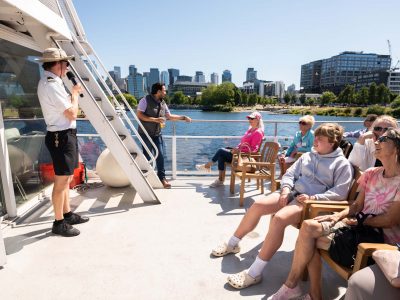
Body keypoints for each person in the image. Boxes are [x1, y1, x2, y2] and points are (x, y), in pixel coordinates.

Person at [211, 123, 353, 289]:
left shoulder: (342, 164)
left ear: (332, 142)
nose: (315, 141)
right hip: (291, 193)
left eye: (320, 139)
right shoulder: (308, 156)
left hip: (310, 204)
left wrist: (314, 197)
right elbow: (290, 174)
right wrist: (285, 190)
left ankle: (254, 273)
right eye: (316, 137)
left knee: (278, 219)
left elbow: (340, 192)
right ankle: (232, 244)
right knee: (257, 205)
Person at [269, 127, 400, 300]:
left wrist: (358, 222)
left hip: (379, 240)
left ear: (397, 148)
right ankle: (295, 287)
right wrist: (338, 216)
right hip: (357, 226)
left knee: (309, 239)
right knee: (308, 227)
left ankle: (305, 291)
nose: (375, 142)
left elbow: (389, 220)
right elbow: (356, 205)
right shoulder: (371, 174)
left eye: (382, 140)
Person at [37, 48, 89, 237]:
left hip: (65, 135)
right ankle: (58, 223)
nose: (67, 67)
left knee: (66, 178)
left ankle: (67, 215)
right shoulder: (51, 85)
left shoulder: (54, 83)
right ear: (57, 64)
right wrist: (75, 93)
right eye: (65, 63)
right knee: (60, 182)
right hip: (61, 137)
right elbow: (72, 113)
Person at [137, 83, 191, 189]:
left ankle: (162, 179)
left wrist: (183, 117)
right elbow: (139, 115)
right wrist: (155, 120)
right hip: (145, 134)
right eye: (164, 90)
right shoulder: (145, 100)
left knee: (161, 156)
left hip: (157, 134)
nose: (165, 92)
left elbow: (169, 116)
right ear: (158, 92)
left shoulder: (163, 103)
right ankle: (145, 178)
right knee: (147, 157)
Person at [195, 111, 264, 187]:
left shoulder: (258, 132)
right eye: (249, 118)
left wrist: (239, 151)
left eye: (252, 118)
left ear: (257, 120)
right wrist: (236, 148)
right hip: (238, 155)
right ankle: (220, 180)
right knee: (221, 156)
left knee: (220, 151)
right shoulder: (249, 131)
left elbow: (254, 150)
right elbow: (242, 144)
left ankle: (208, 166)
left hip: (243, 158)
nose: (250, 120)